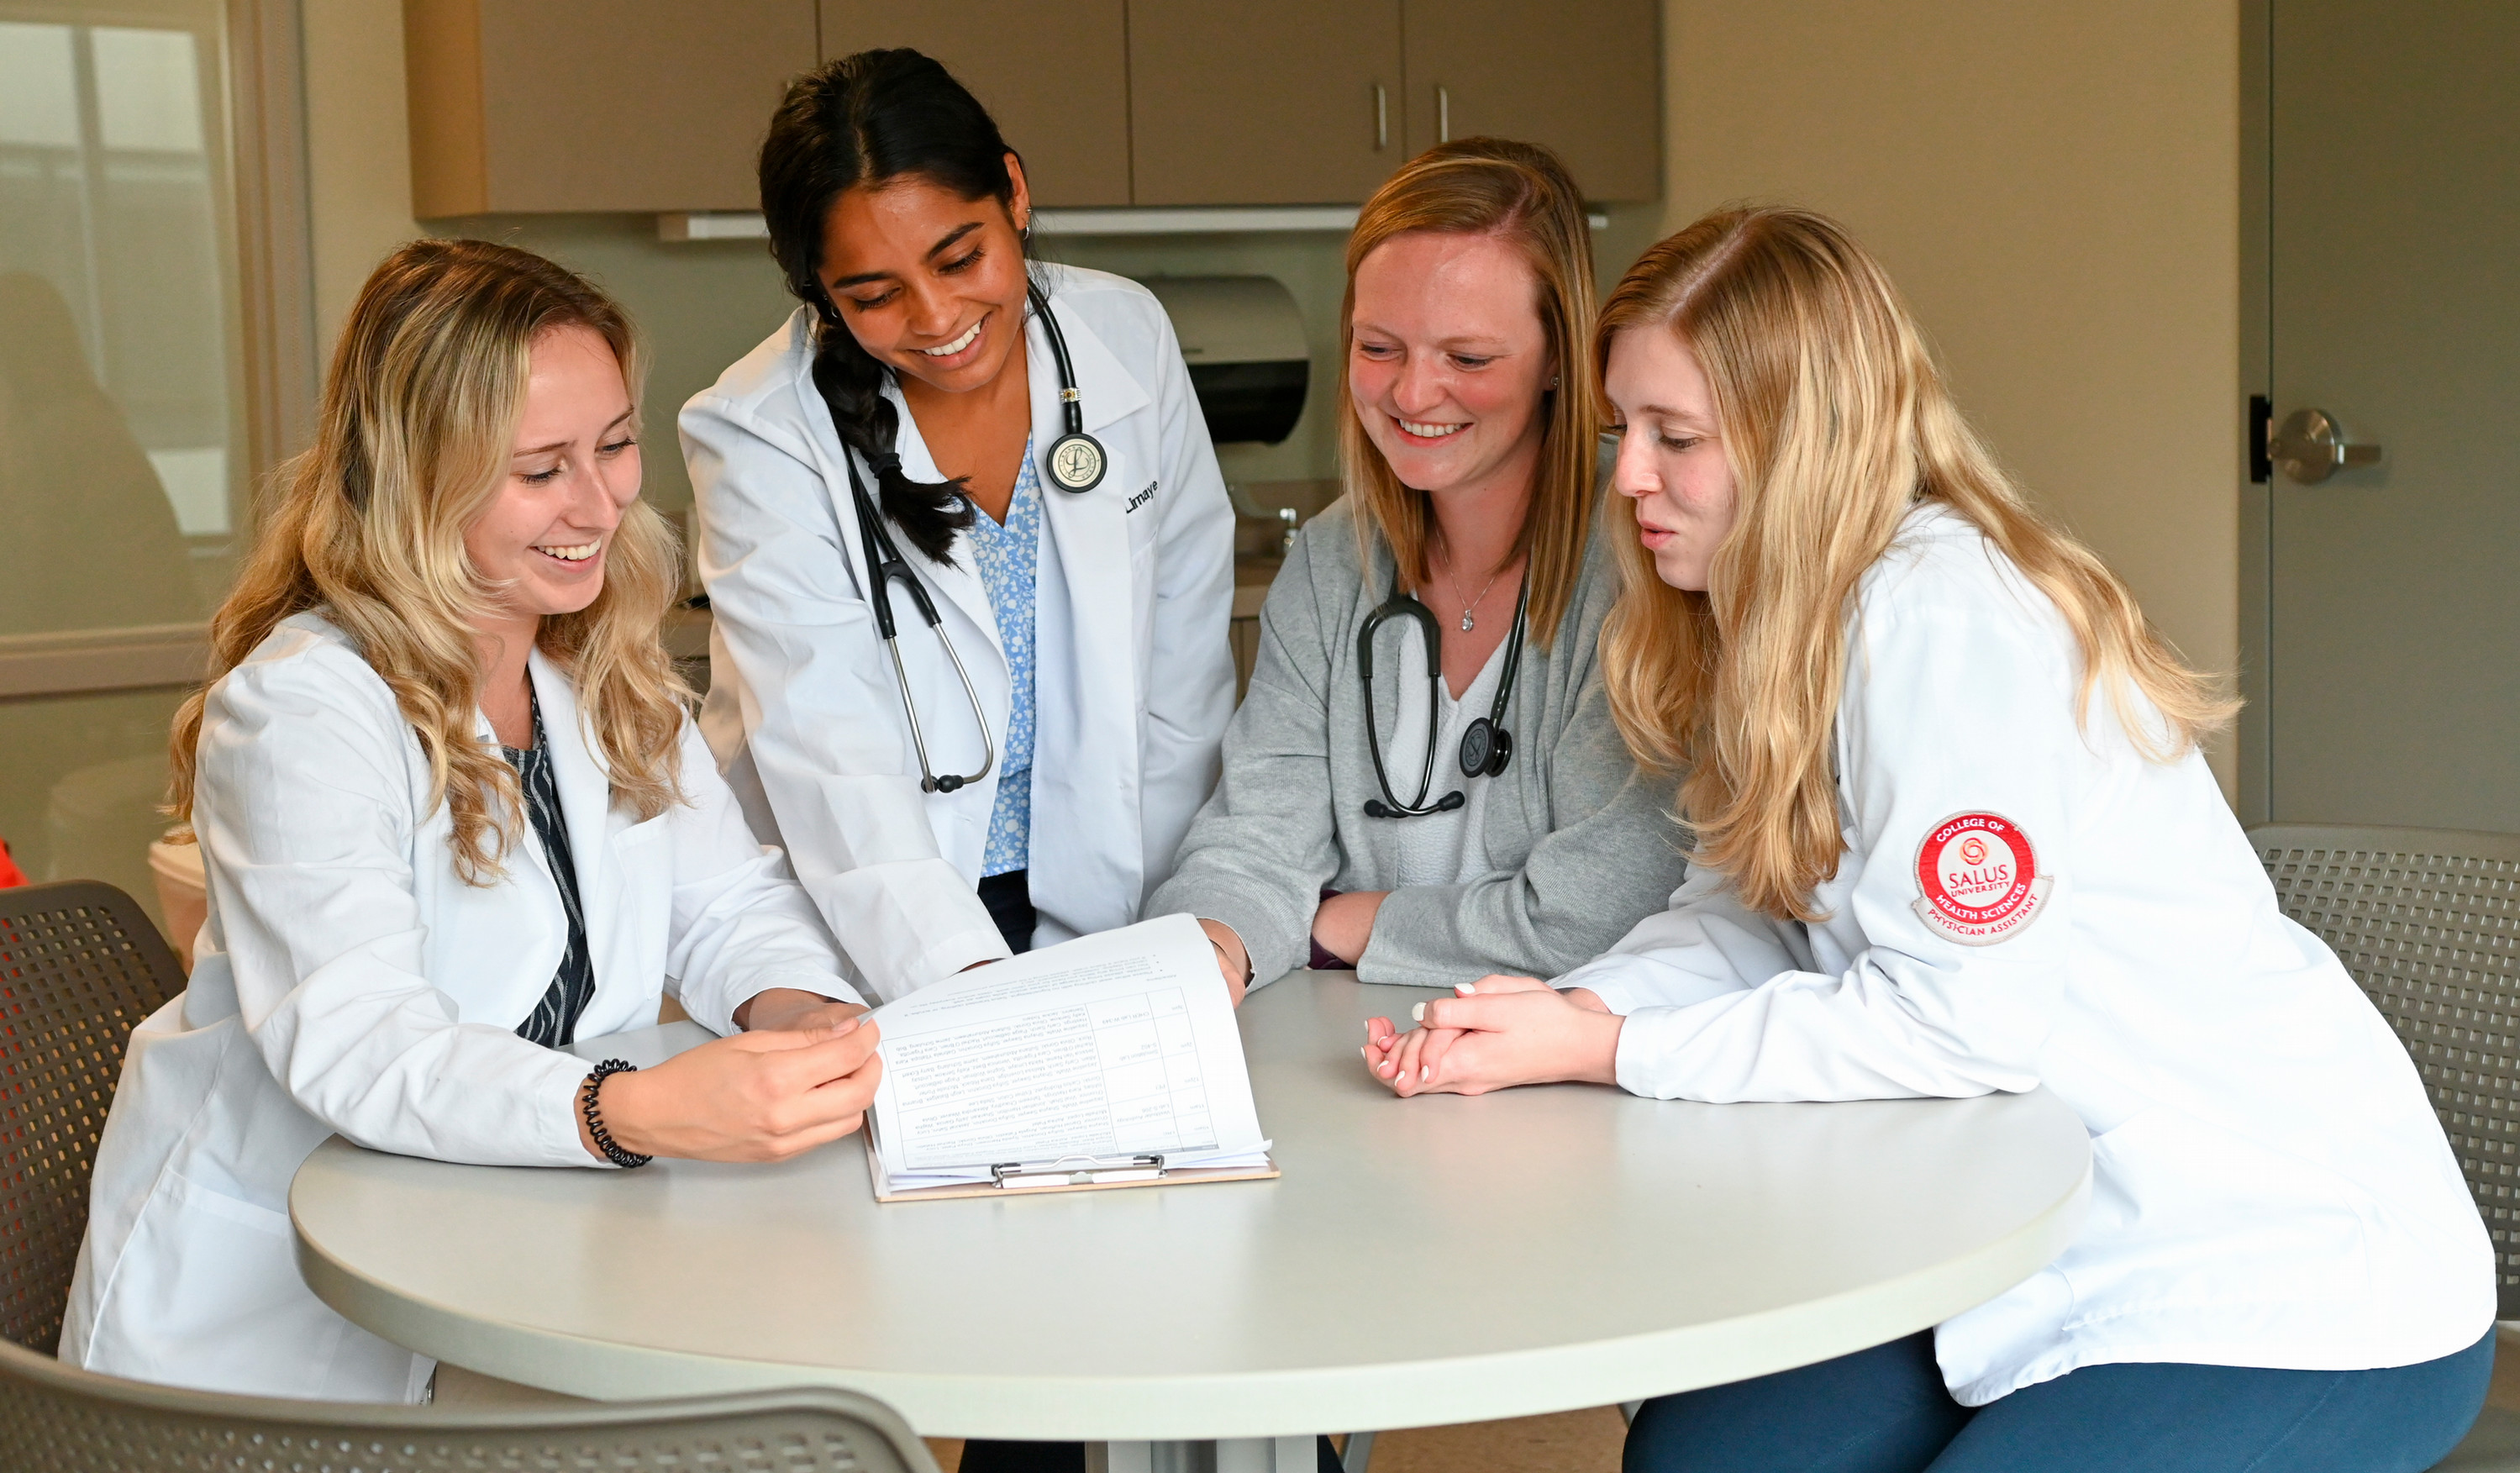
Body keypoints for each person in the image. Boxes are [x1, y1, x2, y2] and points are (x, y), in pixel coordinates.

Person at [1361, 207, 2495, 1471]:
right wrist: (1556, 1013)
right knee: (1702, 1458)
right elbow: (1738, 914)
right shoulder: (1766, 612)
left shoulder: (1943, 621)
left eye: (1673, 438)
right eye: (1624, 430)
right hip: (2005, 1228)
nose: (1625, 477)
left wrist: (1613, 1047)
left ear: (1805, 445)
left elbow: (1959, 1020)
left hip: (2267, 1267)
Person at [62, 239, 883, 1403]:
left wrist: (807, 1012)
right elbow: (360, 1043)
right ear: (417, 474)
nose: (600, 505)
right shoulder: (304, 706)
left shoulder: (593, 662)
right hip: (277, 1321)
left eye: (612, 445)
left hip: (510, 1240)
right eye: (539, 469)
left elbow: (722, 902)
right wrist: (632, 1109)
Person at [685, 50, 1235, 1002]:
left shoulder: (1126, 337)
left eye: (959, 256)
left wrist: (1167, 935)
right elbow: (831, 761)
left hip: (1112, 889)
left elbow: (1183, 683)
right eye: (872, 295)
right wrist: (975, 991)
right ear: (818, 288)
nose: (936, 317)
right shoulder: (760, 435)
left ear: (1013, 193)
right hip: (873, 920)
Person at [1150, 139, 1687, 996]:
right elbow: (1254, 841)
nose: (1409, 394)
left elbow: (1599, 912)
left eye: (1466, 359)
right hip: (1357, 1048)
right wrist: (1213, 950)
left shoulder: (1645, 555)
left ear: (1559, 359)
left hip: (1575, 1065)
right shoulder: (1333, 561)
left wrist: (1343, 920)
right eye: (1378, 348)